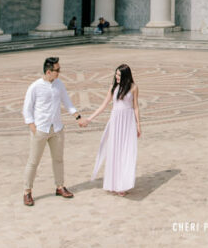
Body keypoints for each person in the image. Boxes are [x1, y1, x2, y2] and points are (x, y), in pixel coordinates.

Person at [21, 56, 87, 207]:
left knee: (58, 159)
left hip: (57, 128)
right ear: (49, 71)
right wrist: (33, 128)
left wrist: (78, 117)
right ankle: (27, 191)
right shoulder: (35, 87)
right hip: (40, 129)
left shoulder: (59, 84)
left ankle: (60, 186)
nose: (59, 72)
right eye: (57, 70)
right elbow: (27, 110)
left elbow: (67, 102)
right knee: (33, 162)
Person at [85, 63, 141, 195]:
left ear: (126, 76)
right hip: (116, 122)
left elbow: (136, 107)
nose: (116, 77)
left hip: (128, 122)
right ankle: (113, 183)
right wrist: (89, 118)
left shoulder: (133, 88)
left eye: (119, 75)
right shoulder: (113, 88)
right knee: (115, 151)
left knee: (127, 151)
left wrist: (138, 125)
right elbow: (104, 105)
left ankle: (123, 184)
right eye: (116, 74)